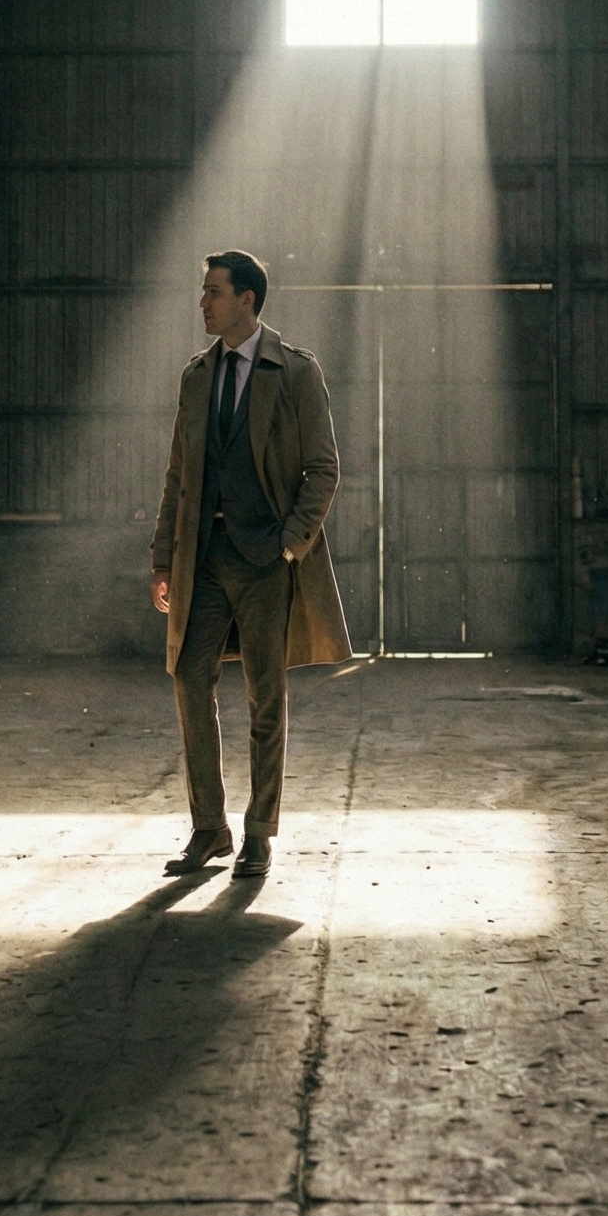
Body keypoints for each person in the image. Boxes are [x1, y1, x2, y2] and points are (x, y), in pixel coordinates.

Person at [150, 249, 351, 879]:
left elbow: (324, 469)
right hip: (203, 558)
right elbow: (179, 476)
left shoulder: (294, 372)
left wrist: (291, 544)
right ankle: (209, 828)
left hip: (266, 559)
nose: (202, 302)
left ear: (248, 301)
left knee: (267, 695)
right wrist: (163, 559)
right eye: (203, 291)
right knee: (189, 675)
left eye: (213, 292)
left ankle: (259, 833)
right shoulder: (195, 376)